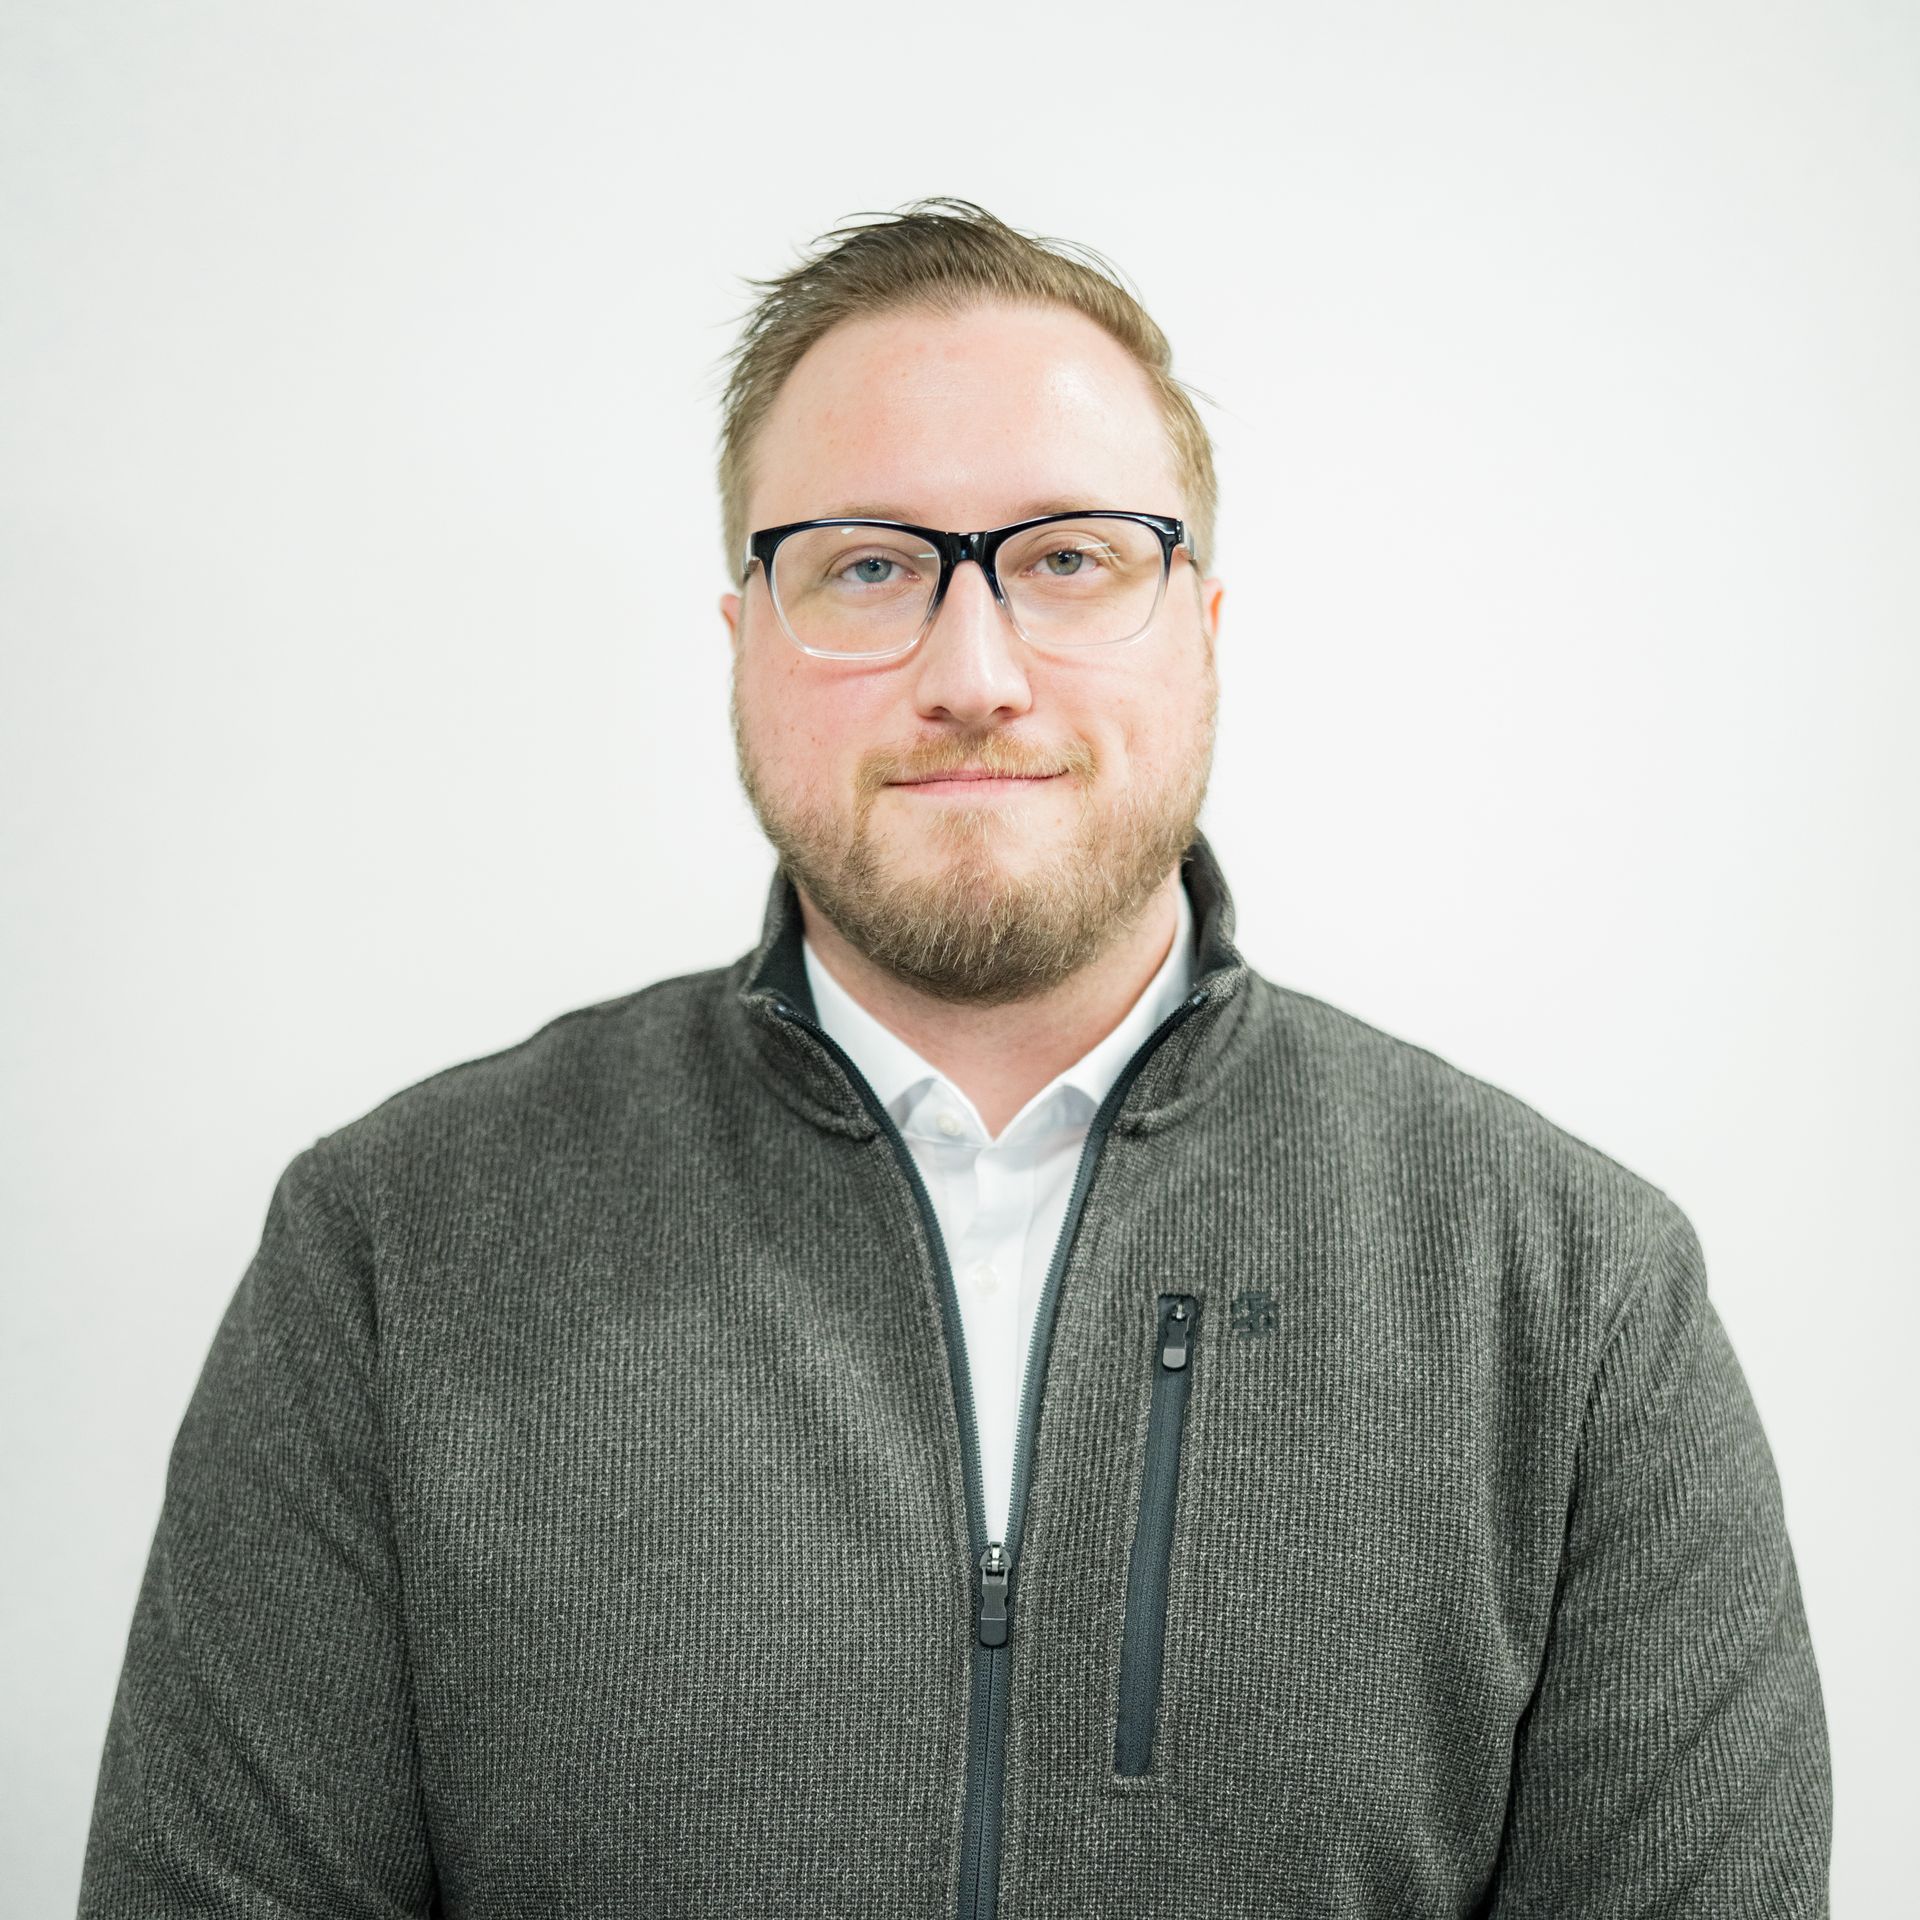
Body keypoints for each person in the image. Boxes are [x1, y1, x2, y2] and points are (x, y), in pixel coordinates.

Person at [79, 198, 1831, 1918]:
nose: (973, 669)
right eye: (866, 567)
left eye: (1071, 558)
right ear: (743, 649)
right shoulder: (395, 1253)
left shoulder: (1576, 1297)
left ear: (1203, 634)